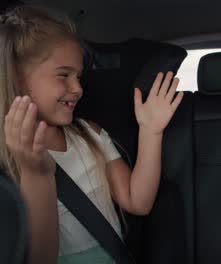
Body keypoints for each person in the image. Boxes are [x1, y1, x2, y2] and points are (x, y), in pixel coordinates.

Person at [0, 5, 183, 263]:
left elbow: (137, 201)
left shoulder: (89, 134)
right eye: (63, 75)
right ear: (18, 79)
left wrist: (150, 131)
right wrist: (36, 174)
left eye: (79, 77)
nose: (77, 88)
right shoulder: (7, 159)